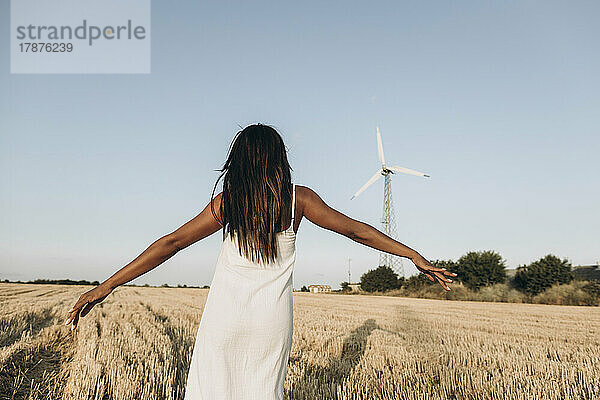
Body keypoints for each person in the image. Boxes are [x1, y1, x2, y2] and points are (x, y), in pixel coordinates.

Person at [65, 123, 457, 399]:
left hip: (225, 320)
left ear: (239, 160)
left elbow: (171, 243)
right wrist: (412, 255)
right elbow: (357, 230)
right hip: (270, 325)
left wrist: (107, 285)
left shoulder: (228, 203)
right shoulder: (298, 199)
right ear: (279, 158)